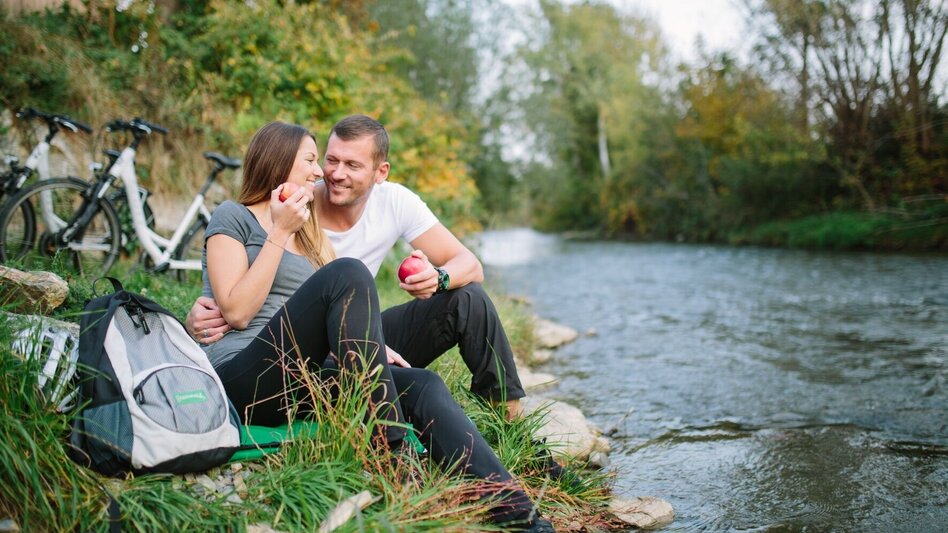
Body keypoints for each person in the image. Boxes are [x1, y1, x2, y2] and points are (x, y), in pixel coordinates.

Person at [202, 121, 554, 532]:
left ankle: (521, 515)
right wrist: (280, 231)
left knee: (423, 384)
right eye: (314, 161)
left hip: (304, 379)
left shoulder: (313, 232)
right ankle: (395, 453)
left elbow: (333, 313)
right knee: (349, 273)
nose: (320, 174)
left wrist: (366, 341)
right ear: (279, 163)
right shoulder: (234, 218)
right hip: (246, 377)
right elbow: (238, 312)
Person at [189, 114, 526, 420]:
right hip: (305, 348)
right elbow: (241, 271)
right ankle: (387, 429)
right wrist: (196, 318)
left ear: (381, 173)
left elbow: (470, 264)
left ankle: (506, 417)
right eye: (330, 160)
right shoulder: (297, 203)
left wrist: (437, 278)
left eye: (352, 165)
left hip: (361, 336)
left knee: (469, 299)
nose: (335, 174)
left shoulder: (396, 202)